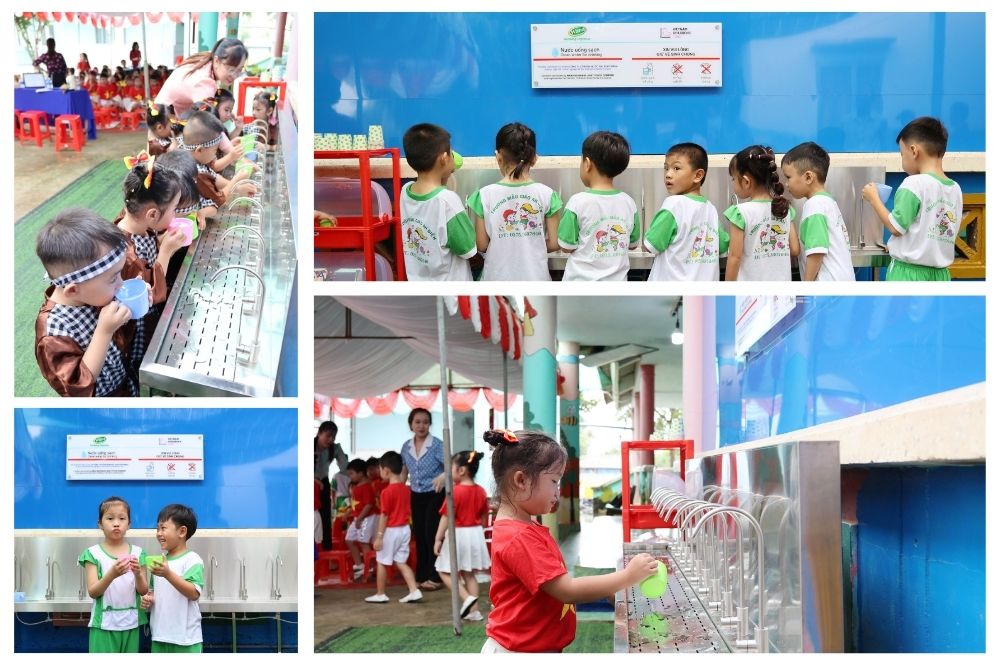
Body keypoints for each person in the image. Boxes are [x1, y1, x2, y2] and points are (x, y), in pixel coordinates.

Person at [482, 429, 658, 653]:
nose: (558, 491)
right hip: (518, 652)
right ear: (521, 480)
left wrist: (604, 588)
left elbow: (553, 580)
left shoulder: (523, 527)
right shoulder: (519, 536)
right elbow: (567, 590)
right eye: (554, 481)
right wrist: (628, 576)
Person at [34, 209, 137, 397]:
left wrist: (134, 306)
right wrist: (104, 331)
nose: (121, 283)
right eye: (114, 279)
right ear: (73, 290)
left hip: (123, 380)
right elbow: (77, 389)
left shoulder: (91, 293)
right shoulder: (54, 333)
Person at [861, 116, 962, 281]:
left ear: (914, 151)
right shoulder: (955, 188)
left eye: (902, 154)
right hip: (941, 275)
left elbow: (896, 227)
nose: (902, 160)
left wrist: (874, 199)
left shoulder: (914, 183)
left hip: (908, 275)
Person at [115, 152, 188, 369]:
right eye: (174, 210)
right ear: (153, 215)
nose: (175, 216)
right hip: (138, 329)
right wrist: (165, 252)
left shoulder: (137, 225)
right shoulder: (125, 254)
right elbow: (150, 295)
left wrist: (160, 240)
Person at [467, 122, 563, 281]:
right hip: (536, 280)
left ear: (498, 157)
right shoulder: (548, 195)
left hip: (496, 280)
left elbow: (481, 244)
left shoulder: (483, 195)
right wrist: (530, 245)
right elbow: (554, 243)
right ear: (534, 158)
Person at [557, 131, 640, 280]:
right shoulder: (629, 203)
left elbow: (566, 246)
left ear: (587, 164)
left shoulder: (577, 203)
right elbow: (633, 244)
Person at [399, 123, 477, 280]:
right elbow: (467, 248)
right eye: (451, 152)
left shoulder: (405, 191)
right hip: (451, 294)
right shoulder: (447, 200)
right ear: (443, 158)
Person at [645, 142, 729, 281]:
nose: (668, 174)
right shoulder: (711, 209)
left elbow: (652, 244)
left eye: (676, 168)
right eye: (666, 168)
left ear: (698, 175)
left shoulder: (673, 204)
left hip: (671, 295)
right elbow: (723, 246)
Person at [79, 496, 149, 652]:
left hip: (131, 623)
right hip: (103, 625)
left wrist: (138, 573)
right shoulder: (92, 554)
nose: (116, 523)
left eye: (122, 518)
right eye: (110, 518)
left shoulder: (139, 553)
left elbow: (143, 590)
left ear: (129, 524)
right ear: (100, 524)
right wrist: (112, 574)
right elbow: (93, 592)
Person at [781, 142, 856, 281]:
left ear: (809, 177)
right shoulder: (827, 202)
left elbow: (817, 251)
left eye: (788, 177)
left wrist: (807, 286)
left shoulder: (814, 205)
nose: (786, 183)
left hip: (827, 289)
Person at [724, 145, 799, 281]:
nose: (733, 183)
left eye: (734, 179)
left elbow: (735, 257)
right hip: (782, 295)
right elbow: (794, 249)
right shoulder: (784, 208)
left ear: (746, 182)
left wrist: (727, 291)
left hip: (751, 298)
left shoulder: (740, 212)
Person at [433, 451, 491, 622]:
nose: (449, 471)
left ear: (461, 470)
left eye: (451, 467)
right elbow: (483, 517)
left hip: (458, 534)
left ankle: (466, 598)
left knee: (444, 571)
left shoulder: (455, 492)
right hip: (475, 534)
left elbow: (446, 517)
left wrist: (438, 538)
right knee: (468, 573)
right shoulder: (481, 491)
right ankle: (474, 611)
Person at [141, 504, 203, 652]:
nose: (158, 533)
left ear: (182, 531)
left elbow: (194, 593)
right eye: (157, 529)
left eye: (163, 528)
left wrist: (168, 574)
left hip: (186, 640)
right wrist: (148, 598)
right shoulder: (160, 561)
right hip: (160, 636)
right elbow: (153, 591)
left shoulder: (192, 560)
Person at [179, 111, 255, 229]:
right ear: (199, 150)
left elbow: (214, 177)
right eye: (214, 151)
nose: (215, 156)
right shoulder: (196, 172)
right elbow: (218, 199)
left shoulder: (187, 155)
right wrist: (236, 180)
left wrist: (238, 187)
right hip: (189, 225)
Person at [365, 451, 423, 604]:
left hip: (392, 530)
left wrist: (379, 536)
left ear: (386, 470)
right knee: (401, 562)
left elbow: (384, 515)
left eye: (380, 469)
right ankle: (414, 590)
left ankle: (380, 593)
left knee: (382, 561)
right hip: (405, 529)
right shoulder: (406, 489)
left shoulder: (386, 492)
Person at [399, 408, 446, 590]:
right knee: (419, 534)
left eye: (425, 422)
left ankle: (436, 576)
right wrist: (400, 491)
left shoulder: (437, 444)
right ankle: (422, 574)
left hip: (434, 493)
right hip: (415, 494)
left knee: (431, 534)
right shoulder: (406, 446)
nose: (421, 425)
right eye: (417, 422)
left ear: (430, 424)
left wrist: (442, 476)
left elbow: (450, 465)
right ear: (411, 424)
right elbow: (404, 472)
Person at [156, 38, 248, 117]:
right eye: (231, 69)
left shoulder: (206, 59)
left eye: (239, 70)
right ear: (217, 61)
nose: (234, 75)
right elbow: (207, 123)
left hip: (161, 114)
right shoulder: (204, 82)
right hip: (164, 123)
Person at [314, 421, 348, 551]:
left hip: (323, 484)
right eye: (328, 436)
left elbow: (345, 468)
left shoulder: (334, 448)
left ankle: (326, 551)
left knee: (325, 518)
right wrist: (313, 480)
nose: (331, 439)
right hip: (308, 485)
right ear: (319, 433)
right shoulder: (308, 444)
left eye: (333, 436)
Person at [345, 459, 377, 578]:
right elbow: (356, 504)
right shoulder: (356, 486)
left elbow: (369, 505)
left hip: (366, 518)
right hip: (357, 518)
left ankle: (369, 568)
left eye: (352, 473)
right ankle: (360, 566)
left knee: (364, 542)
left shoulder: (367, 487)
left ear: (361, 473)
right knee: (349, 539)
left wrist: (359, 519)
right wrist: (349, 512)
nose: (350, 477)